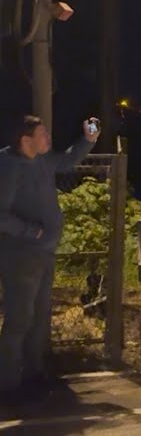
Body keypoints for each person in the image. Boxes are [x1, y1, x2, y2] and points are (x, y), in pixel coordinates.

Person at [0, 114, 99, 403]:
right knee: (20, 318)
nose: (48, 138)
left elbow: (67, 160)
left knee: (40, 315)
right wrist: (32, 232)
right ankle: (8, 384)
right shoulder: (8, 167)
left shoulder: (41, 160)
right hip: (20, 255)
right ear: (25, 140)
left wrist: (88, 139)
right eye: (42, 134)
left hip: (43, 252)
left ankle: (34, 375)